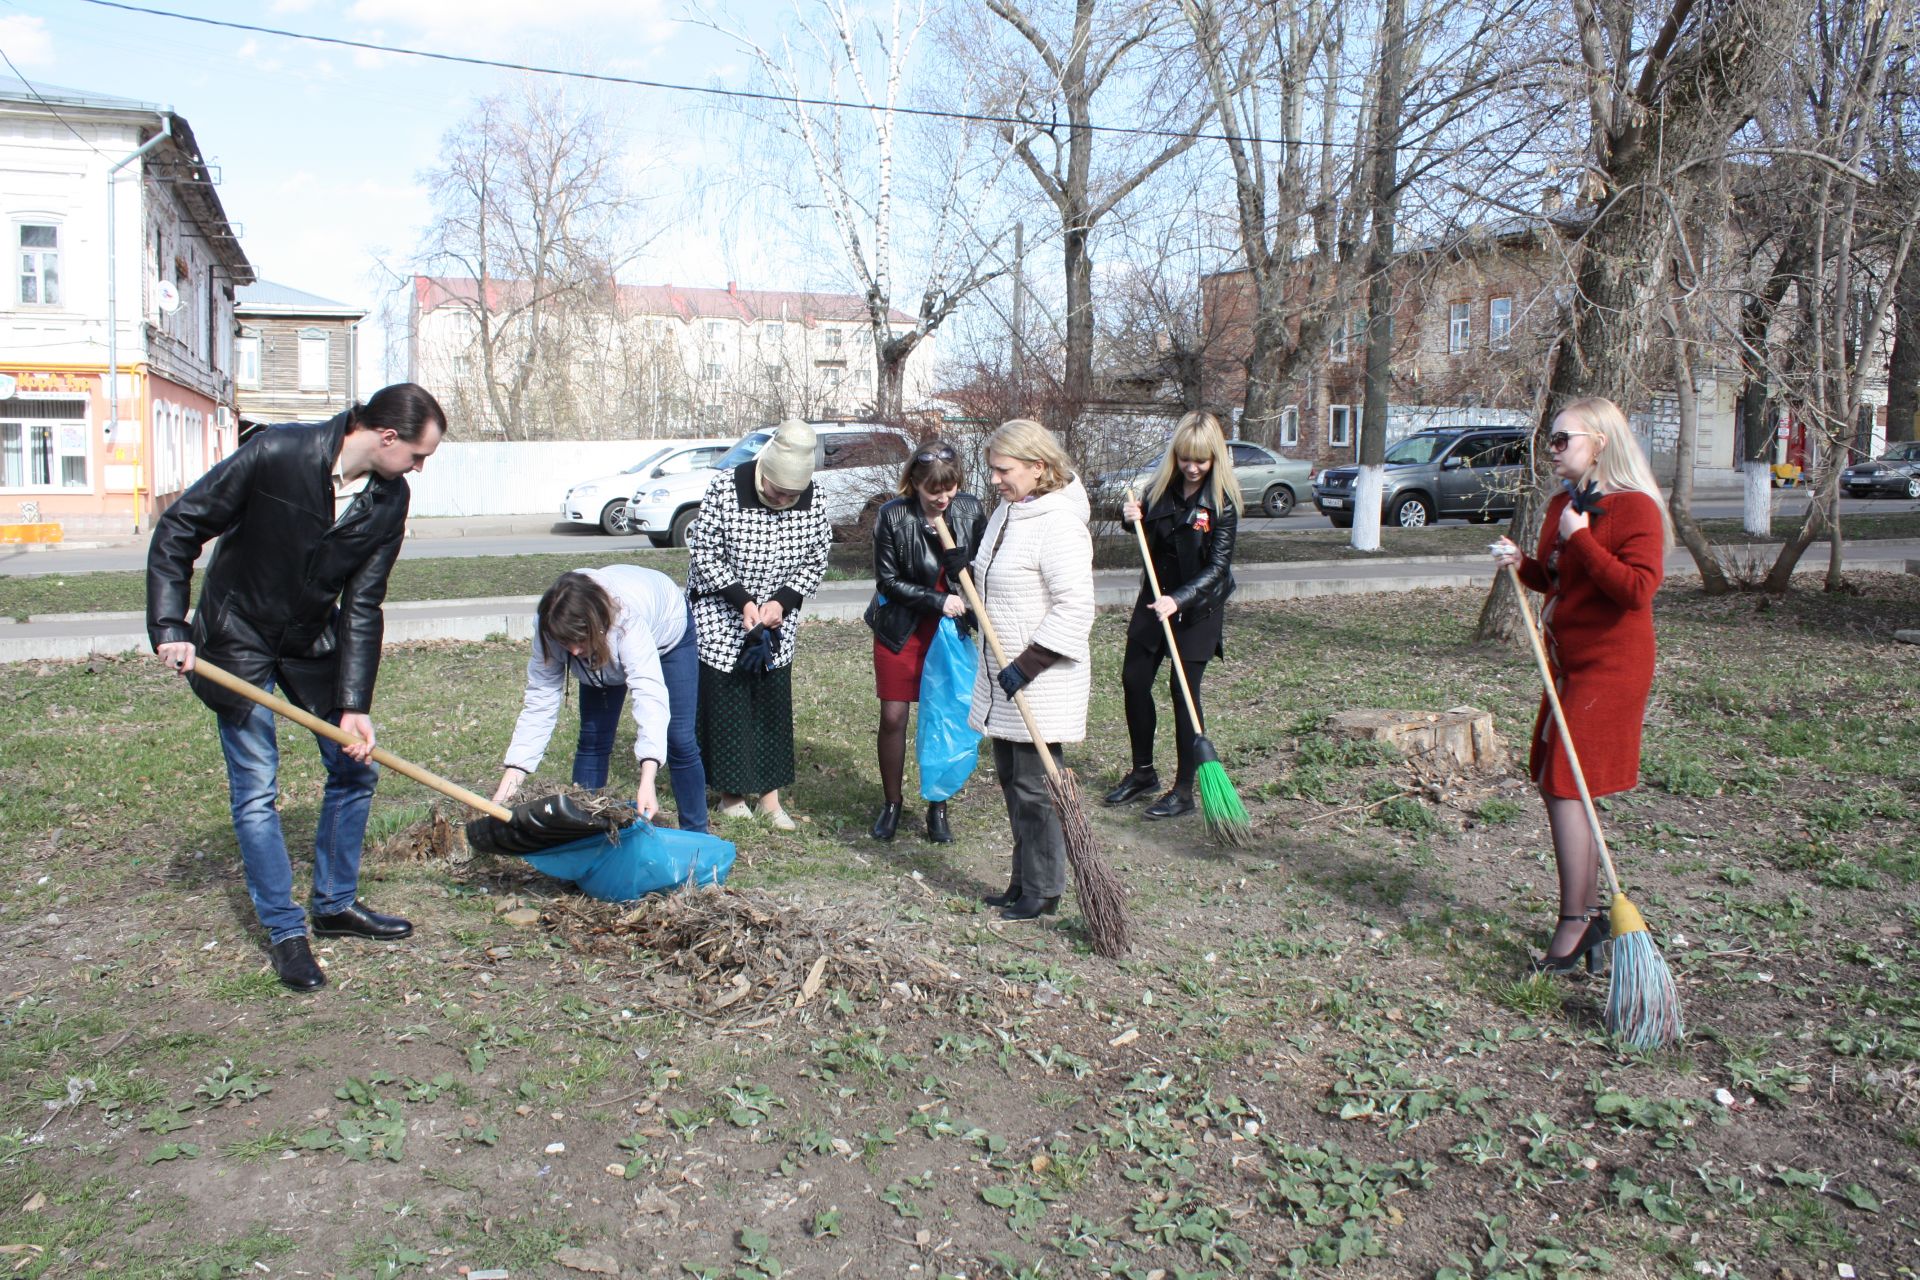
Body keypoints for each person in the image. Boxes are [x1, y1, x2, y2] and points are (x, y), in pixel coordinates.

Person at [146, 383, 447, 993]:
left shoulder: (389, 500)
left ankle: (334, 904)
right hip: (237, 637)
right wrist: (171, 624)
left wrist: (354, 704)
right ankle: (286, 932)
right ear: (386, 437)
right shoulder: (277, 452)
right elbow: (181, 527)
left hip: (311, 639)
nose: (419, 467)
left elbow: (364, 604)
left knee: (355, 768)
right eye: (418, 455)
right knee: (257, 788)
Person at [1492, 396, 1673, 973]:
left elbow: (1637, 590)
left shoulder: (1634, 507)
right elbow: (1554, 579)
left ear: (1599, 441)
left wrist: (1582, 537)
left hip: (1613, 666)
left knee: (1568, 783)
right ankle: (1587, 913)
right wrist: (1521, 560)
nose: (1553, 450)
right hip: (1569, 662)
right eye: (1551, 440)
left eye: (1562, 439)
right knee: (1553, 776)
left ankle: (1576, 921)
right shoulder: (1561, 506)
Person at [959, 419, 1095, 921]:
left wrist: (1028, 664)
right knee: (1013, 781)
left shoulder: (1058, 523)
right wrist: (963, 572)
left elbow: (1076, 606)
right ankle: (1023, 882)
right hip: (1003, 678)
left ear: (1038, 467)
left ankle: (1045, 889)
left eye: (1004, 470)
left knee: (1037, 790)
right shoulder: (1008, 512)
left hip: (1038, 678)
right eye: (993, 469)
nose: (994, 479)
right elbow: (989, 579)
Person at [685, 419, 834, 830]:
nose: (784, 499)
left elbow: (817, 557)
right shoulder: (725, 488)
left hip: (775, 616)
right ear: (763, 472)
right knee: (728, 702)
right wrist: (742, 600)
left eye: (792, 495)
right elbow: (705, 551)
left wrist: (783, 601)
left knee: (770, 701)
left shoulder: (814, 496)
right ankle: (731, 794)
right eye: (777, 491)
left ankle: (770, 798)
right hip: (722, 608)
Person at [493, 566, 707, 834]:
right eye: (565, 642)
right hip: (603, 647)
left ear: (595, 624)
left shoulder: (626, 620)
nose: (572, 650)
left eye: (578, 641)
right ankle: (584, 835)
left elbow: (648, 695)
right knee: (593, 738)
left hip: (668, 634)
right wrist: (511, 780)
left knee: (679, 737)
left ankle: (697, 836)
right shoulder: (550, 626)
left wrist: (647, 779)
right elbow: (541, 700)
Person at [1108, 411, 1242, 820]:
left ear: (1214, 458)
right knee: (1134, 680)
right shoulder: (1160, 489)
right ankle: (1143, 772)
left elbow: (1218, 568)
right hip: (1155, 599)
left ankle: (1183, 790)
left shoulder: (1223, 504)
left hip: (1198, 607)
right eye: (1185, 457)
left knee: (1183, 694)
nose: (1192, 467)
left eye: (1200, 460)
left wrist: (1180, 600)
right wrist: (1129, 519)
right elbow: (1143, 527)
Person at [864, 441, 987, 843]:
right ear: (914, 483)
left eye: (949, 489)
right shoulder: (893, 515)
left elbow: (983, 569)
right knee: (894, 718)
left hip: (948, 634)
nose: (943, 498)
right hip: (902, 628)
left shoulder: (969, 510)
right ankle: (892, 802)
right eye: (934, 490)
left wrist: (965, 575)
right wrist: (938, 599)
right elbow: (888, 581)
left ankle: (938, 805)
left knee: (945, 717)